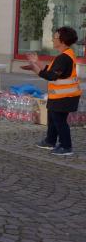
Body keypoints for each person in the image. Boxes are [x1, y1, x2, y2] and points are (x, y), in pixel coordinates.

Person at [27, 26, 81, 156]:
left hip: (65, 97)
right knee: (52, 117)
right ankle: (50, 141)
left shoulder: (64, 58)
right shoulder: (64, 55)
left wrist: (35, 69)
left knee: (60, 121)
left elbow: (51, 76)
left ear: (62, 40)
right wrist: (37, 62)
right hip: (60, 96)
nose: (52, 39)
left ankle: (66, 146)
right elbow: (51, 70)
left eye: (55, 37)